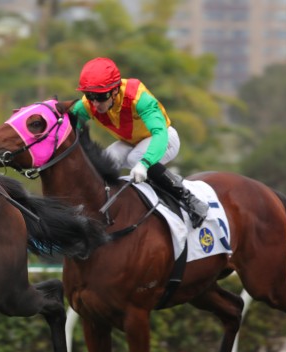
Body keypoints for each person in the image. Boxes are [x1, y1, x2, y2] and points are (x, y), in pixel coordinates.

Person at [69, 57, 208, 228]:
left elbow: (159, 134)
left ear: (115, 91)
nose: (95, 103)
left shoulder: (138, 97)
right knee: (105, 160)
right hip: (130, 142)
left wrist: (145, 162)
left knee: (137, 158)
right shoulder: (88, 105)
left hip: (164, 139)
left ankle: (189, 199)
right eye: (89, 96)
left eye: (100, 96)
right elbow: (66, 123)